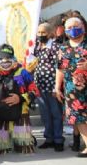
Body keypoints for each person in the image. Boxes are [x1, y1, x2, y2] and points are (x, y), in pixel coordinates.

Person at [0, 44, 39, 154]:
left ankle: (27, 139)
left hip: (20, 112)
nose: (5, 61)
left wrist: (21, 98)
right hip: (0, 114)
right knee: (2, 149)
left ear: (13, 58)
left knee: (24, 147)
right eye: (2, 58)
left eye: (8, 58)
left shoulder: (22, 72)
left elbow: (34, 90)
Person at [55, 13, 87, 157]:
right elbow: (60, 69)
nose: (73, 29)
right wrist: (57, 87)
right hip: (72, 89)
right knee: (78, 118)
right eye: (69, 27)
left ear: (83, 28)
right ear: (66, 31)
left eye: (76, 27)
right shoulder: (63, 49)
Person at [33, 22, 64, 151]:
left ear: (50, 33)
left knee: (56, 113)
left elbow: (60, 66)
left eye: (43, 32)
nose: (40, 35)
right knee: (45, 114)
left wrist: (56, 87)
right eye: (39, 33)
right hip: (40, 85)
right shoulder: (37, 47)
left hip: (52, 86)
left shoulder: (56, 47)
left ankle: (58, 139)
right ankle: (49, 138)